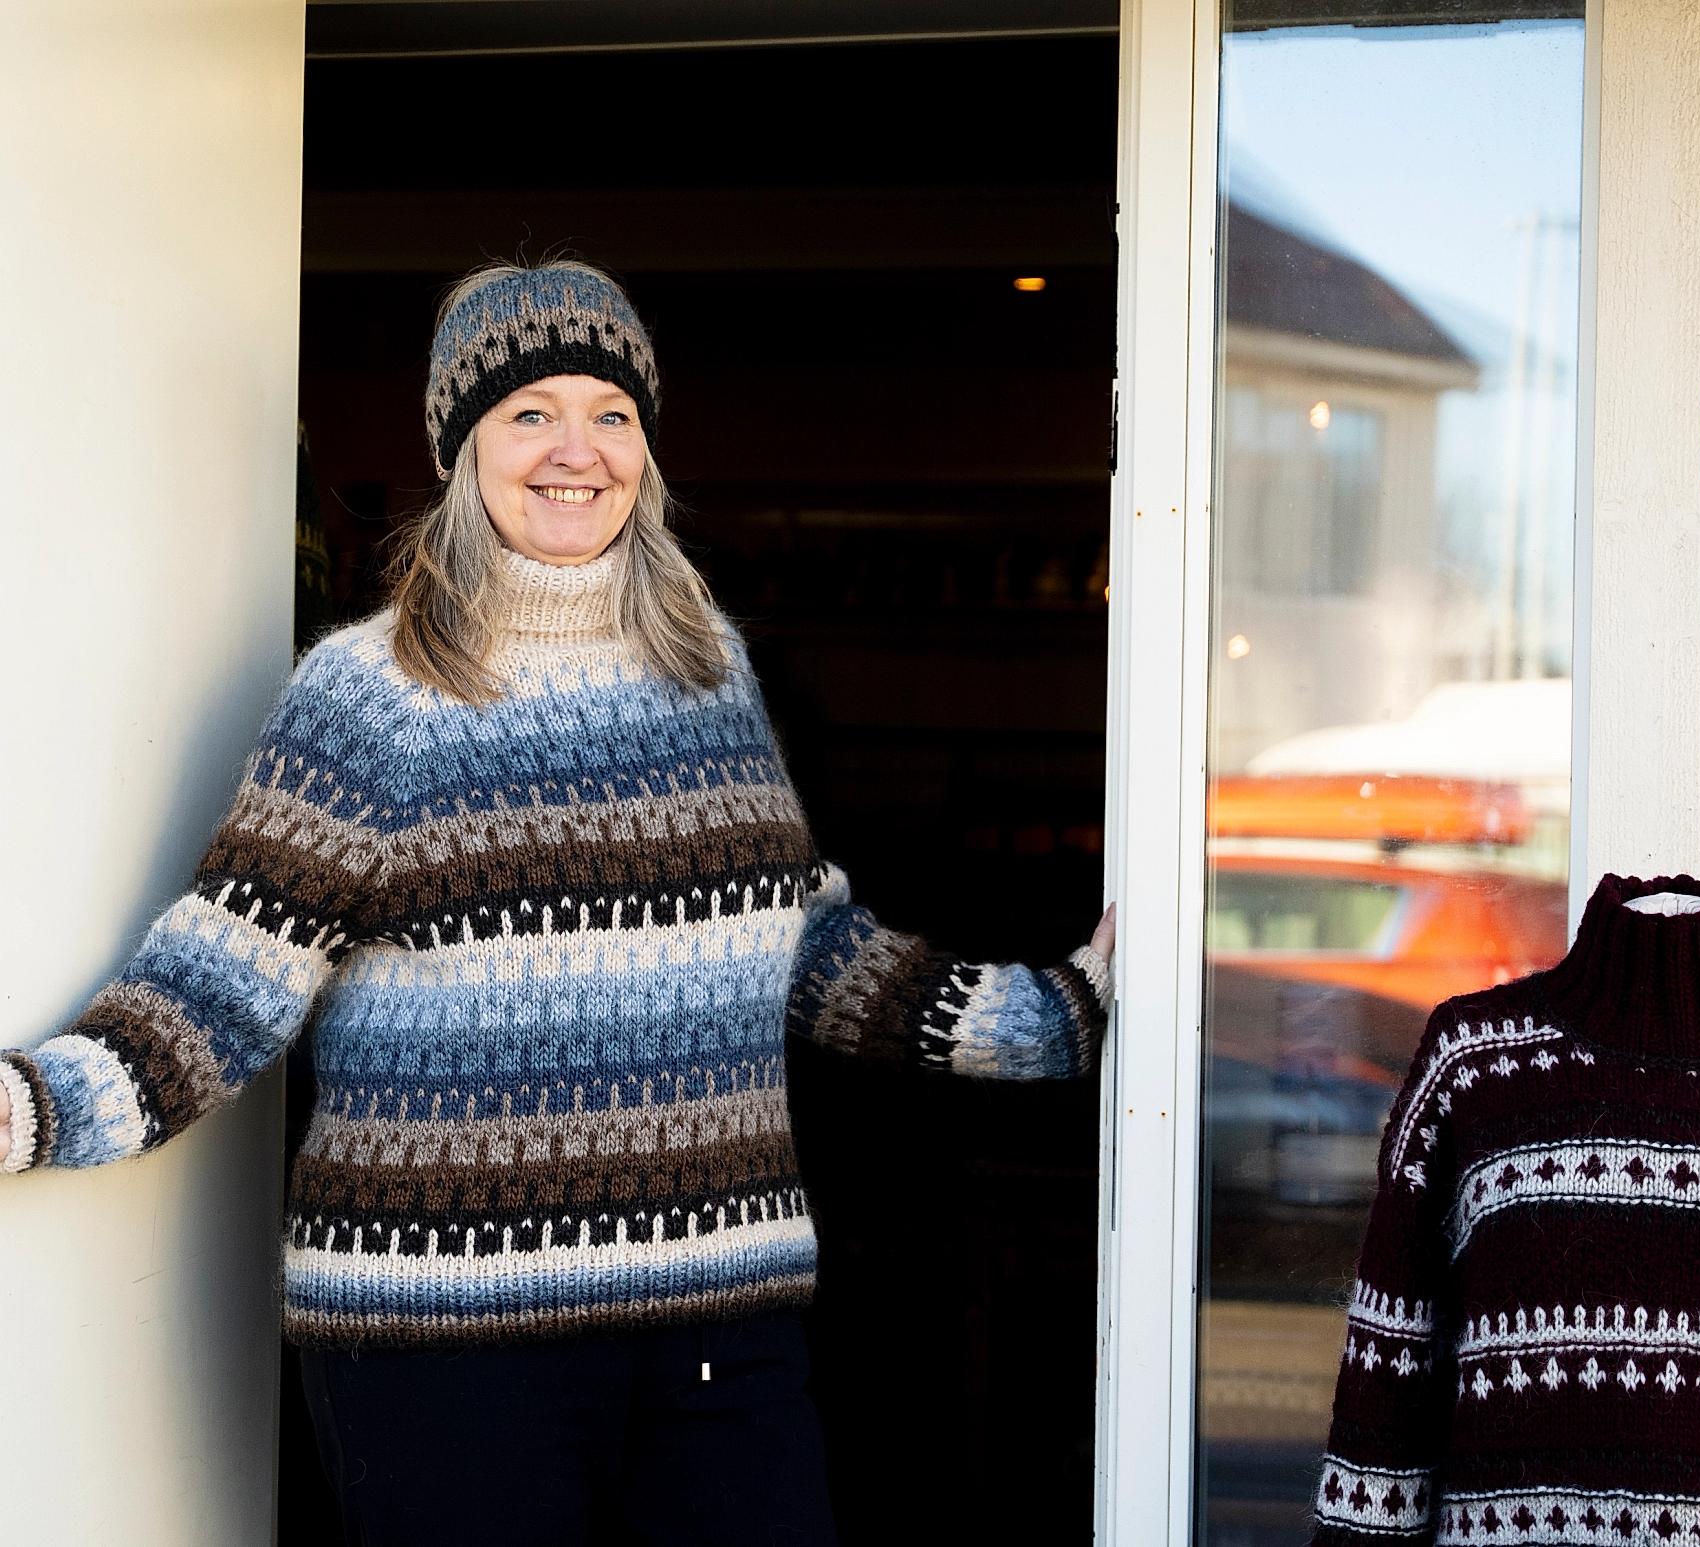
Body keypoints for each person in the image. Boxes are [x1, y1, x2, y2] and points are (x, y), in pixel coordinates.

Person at [0, 259, 1116, 1546]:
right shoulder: (371, 697)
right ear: (460, 447)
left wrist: (1053, 1014)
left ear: (646, 445)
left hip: (720, 1322)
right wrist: (27, 1107)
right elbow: (213, 993)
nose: (574, 450)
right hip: (445, 1346)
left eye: (611, 412)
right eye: (529, 413)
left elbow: (796, 946)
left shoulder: (708, 673)